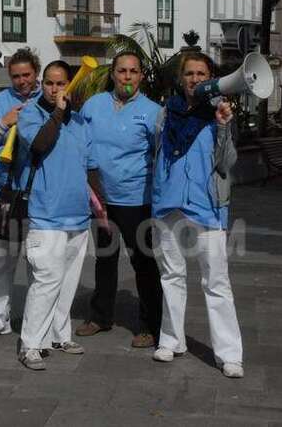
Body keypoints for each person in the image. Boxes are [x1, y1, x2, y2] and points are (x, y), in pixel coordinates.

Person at [151, 52, 243, 378]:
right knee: (171, 276)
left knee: (216, 281)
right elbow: (158, 155)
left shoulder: (218, 113)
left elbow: (226, 163)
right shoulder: (166, 112)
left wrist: (223, 126)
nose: (194, 79)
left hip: (208, 208)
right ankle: (171, 340)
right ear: (181, 78)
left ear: (210, 77)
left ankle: (229, 354)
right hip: (169, 205)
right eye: (189, 73)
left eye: (201, 73)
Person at [76, 51, 164, 348]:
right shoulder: (93, 105)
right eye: (122, 71)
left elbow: (160, 155)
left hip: (136, 199)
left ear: (141, 76)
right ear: (112, 74)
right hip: (100, 198)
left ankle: (150, 324)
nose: (127, 76)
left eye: (133, 71)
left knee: (144, 262)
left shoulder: (152, 112)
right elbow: (81, 142)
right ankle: (101, 316)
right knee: (104, 259)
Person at [14, 61, 92, 370]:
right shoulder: (31, 113)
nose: (54, 88)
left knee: (68, 280)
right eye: (49, 83)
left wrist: (100, 208)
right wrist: (58, 113)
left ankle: (60, 335)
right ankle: (31, 343)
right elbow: (40, 144)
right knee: (46, 280)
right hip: (46, 213)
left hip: (77, 213)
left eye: (61, 83)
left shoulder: (82, 122)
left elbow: (91, 167)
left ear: (70, 85)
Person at [0, 48, 42, 339]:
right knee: (1, 256)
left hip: (38, 190)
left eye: (26, 75)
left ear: (36, 74)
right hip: (1, 189)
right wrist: (4, 124)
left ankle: (35, 317)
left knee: (36, 259)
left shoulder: (47, 99)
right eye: (15, 76)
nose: (22, 81)